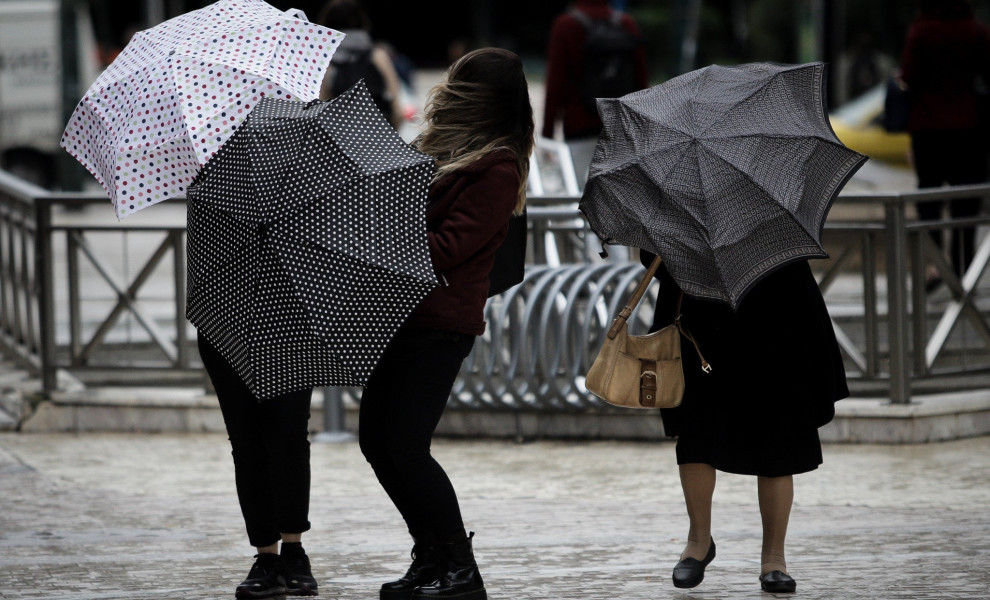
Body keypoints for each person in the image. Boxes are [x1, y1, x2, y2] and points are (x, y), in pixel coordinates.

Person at [358, 47, 534, 600]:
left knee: (405, 445)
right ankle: (430, 556)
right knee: (376, 441)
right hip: (400, 316)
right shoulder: (439, 149)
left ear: (479, 97)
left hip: (440, 324)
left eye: (459, 85)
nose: (447, 92)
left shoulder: (498, 166)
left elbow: (450, 246)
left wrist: (385, 236)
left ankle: (460, 568)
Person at [639, 250, 848, 594]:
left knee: (779, 438)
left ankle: (774, 560)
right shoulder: (676, 201)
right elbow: (653, 259)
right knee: (696, 433)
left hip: (775, 311)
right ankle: (698, 542)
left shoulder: (768, 203)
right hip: (699, 321)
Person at [197, 333, 319, 598]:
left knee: (289, 436)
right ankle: (266, 559)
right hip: (225, 325)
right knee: (246, 443)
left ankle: (294, 551)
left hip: (288, 324)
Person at [899, 0, 990, 290]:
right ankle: (964, 268)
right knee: (966, 203)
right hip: (969, 130)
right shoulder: (975, 31)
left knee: (930, 202)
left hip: (928, 131)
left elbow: (909, 77)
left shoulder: (920, 31)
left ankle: (936, 266)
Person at [541, 0, 649, 190]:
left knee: (574, 193)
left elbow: (556, 85)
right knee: (612, 196)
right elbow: (641, 81)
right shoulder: (627, 24)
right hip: (618, 124)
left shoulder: (566, 25)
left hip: (578, 125)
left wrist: (548, 135)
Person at [318, 0, 405, 131]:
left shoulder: (325, 61)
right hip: (378, 137)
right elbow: (397, 110)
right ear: (362, 22)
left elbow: (320, 109)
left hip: (343, 139)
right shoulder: (377, 56)